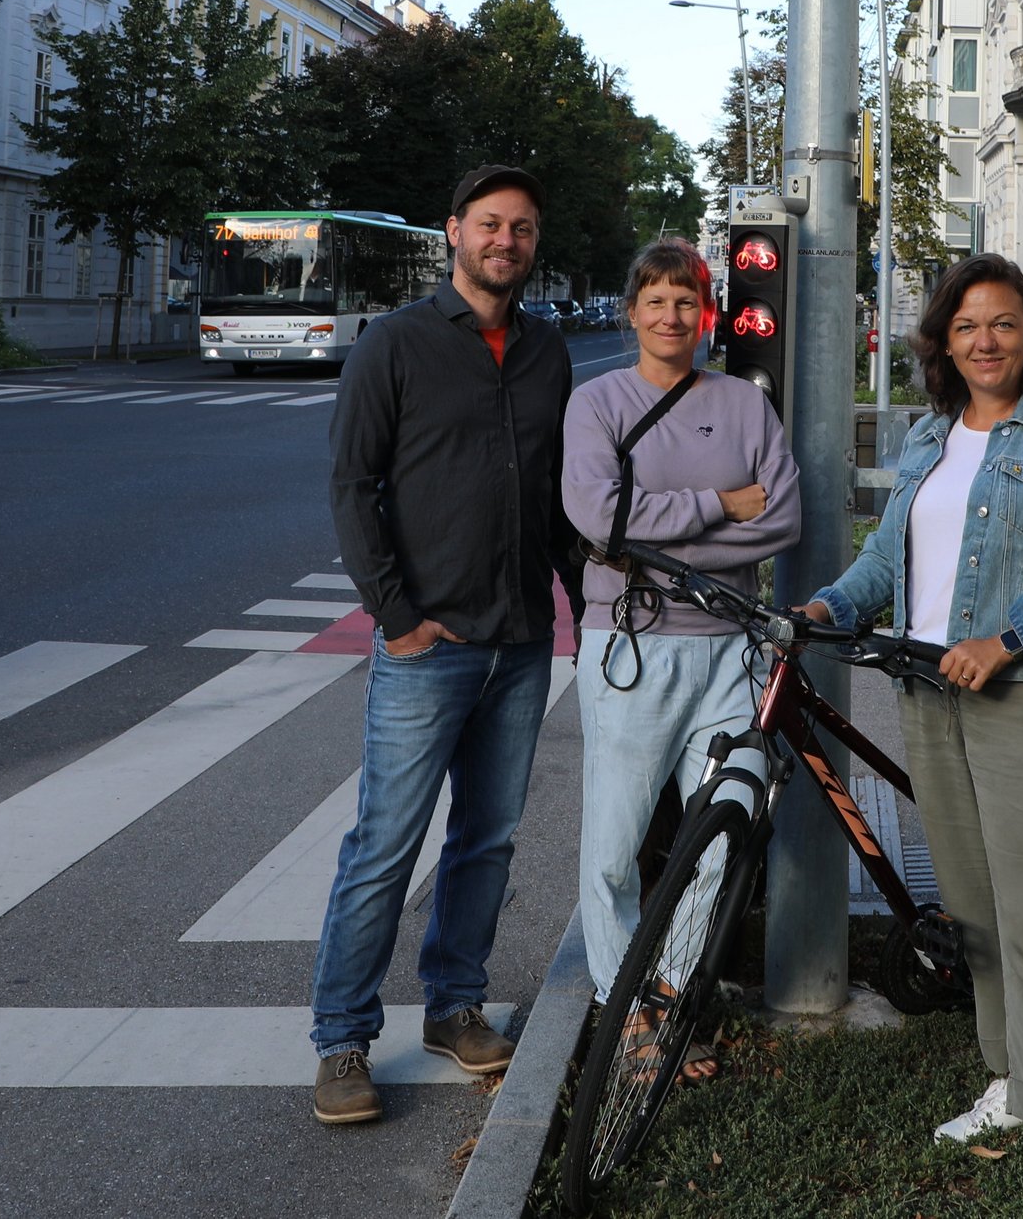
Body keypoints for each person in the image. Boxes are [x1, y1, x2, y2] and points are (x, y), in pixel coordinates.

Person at [803, 254, 1023, 1219]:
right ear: (943, 342)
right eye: (966, 325)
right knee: (976, 919)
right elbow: (888, 550)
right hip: (929, 695)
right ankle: (1009, 1084)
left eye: (1004, 322)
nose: (985, 340)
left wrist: (1007, 641)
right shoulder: (929, 436)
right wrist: (835, 601)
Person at [309, 164, 583, 1125]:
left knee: (487, 841)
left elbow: (555, 500)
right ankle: (342, 1039)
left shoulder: (548, 353)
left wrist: (584, 602)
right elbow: (353, 488)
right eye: (490, 224)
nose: (506, 240)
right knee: (385, 843)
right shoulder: (396, 343)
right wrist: (394, 616)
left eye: (522, 228)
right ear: (454, 232)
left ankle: (454, 1006)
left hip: (520, 640)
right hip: (429, 643)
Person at [562, 238, 801, 1076]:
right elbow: (598, 519)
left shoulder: (743, 405)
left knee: (728, 826)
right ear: (632, 313)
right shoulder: (597, 404)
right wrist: (714, 506)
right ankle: (619, 1006)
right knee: (617, 841)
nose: (672, 316)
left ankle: (664, 987)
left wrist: (655, 531)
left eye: (688, 301)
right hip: (631, 646)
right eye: (656, 301)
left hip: (727, 650)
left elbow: (782, 519)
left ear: (709, 315)